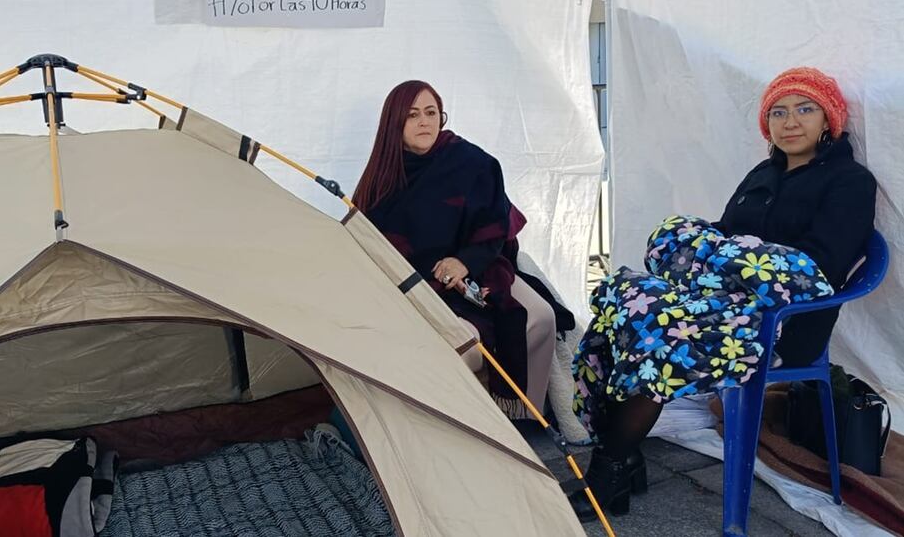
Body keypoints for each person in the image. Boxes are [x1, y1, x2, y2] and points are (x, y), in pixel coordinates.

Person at [568, 66, 877, 521]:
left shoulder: (849, 181)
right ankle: (623, 455)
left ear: (828, 118)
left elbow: (820, 267)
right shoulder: (762, 173)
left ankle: (608, 471)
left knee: (659, 333)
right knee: (627, 299)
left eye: (805, 109)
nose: (790, 122)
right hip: (721, 304)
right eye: (778, 112)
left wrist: (724, 256)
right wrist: (703, 243)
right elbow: (726, 234)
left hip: (782, 323)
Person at [353, 80, 573, 419]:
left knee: (542, 317)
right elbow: (370, 245)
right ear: (394, 123)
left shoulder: (471, 163)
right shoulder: (381, 180)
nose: (424, 122)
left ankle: (524, 415)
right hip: (416, 285)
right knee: (462, 344)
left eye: (431, 113)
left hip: (482, 265)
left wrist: (464, 262)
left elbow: (494, 227)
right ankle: (468, 422)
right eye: (412, 115)